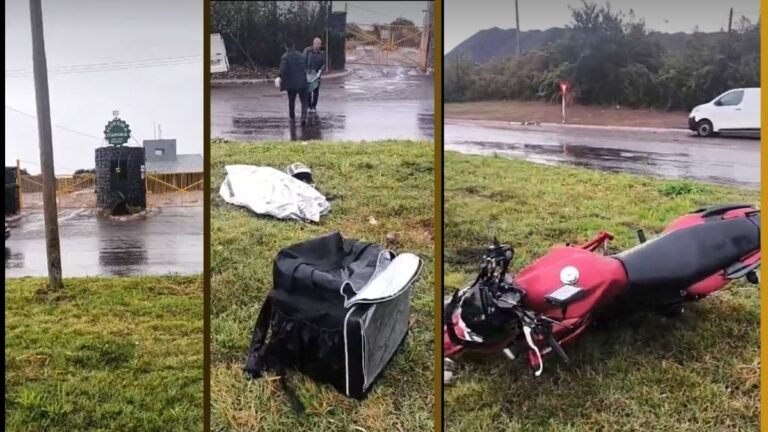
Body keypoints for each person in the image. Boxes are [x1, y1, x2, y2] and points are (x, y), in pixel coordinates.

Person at [279, 40, 308, 124]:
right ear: (294, 46)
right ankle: (303, 117)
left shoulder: (285, 57)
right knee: (304, 101)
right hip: (302, 82)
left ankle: (292, 117)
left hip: (291, 84)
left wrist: (279, 77)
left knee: (291, 100)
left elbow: (283, 70)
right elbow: (305, 67)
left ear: (286, 47)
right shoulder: (301, 56)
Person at [303, 37, 326, 112]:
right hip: (308, 73)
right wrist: (306, 70)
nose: (318, 45)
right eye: (317, 44)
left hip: (317, 74)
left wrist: (321, 70)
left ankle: (314, 106)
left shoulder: (322, 53)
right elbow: (303, 61)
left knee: (316, 90)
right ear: (313, 44)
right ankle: (309, 106)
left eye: (320, 44)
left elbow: (324, 64)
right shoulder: (308, 51)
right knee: (308, 91)